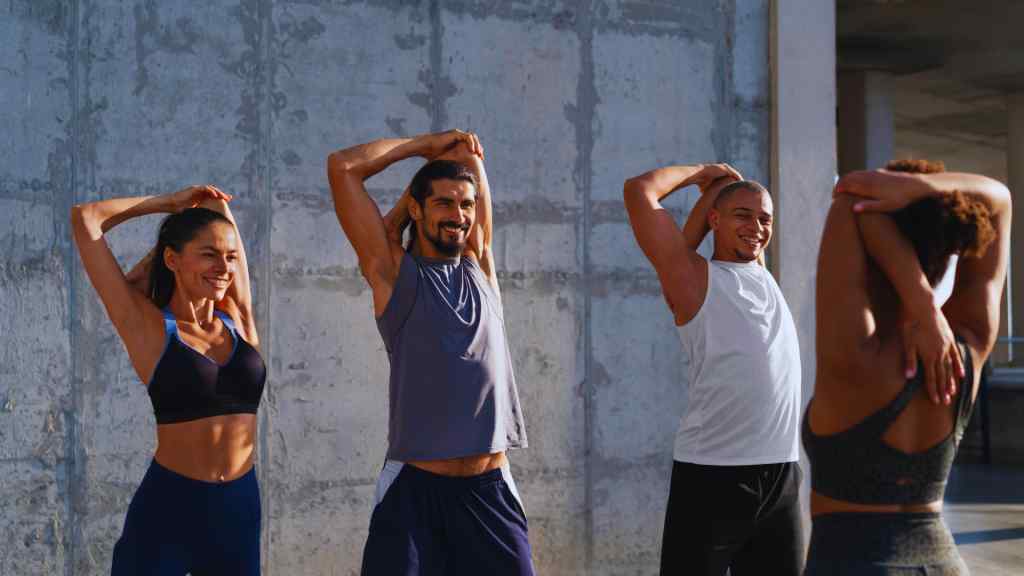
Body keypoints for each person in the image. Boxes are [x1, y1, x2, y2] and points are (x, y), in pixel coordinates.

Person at [326, 130, 532, 575]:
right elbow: (343, 168)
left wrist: (454, 156)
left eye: (466, 205)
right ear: (416, 208)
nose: (458, 215)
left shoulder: (481, 264)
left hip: (489, 492)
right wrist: (423, 145)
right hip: (415, 495)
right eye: (443, 203)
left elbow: (467, 155)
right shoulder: (394, 274)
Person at [803, 160, 1009, 575]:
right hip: (943, 562)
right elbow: (1001, 200)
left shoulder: (853, 356)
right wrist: (917, 189)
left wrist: (921, 305)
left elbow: (851, 195)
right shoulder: (967, 348)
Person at [71, 185, 265, 575]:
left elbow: (216, 204)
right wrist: (167, 205)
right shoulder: (146, 326)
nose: (225, 268)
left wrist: (199, 209)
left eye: (229, 257)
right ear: (172, 260)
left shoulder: (239, 318)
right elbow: (85, 218)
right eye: (208, 256)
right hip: (172, 507)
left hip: (239, 506)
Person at [624, 164, 804, 575]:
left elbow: (696, 236)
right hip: (713, 477)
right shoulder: (694, 280)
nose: (756, 227)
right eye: (742, 215)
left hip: (782, 476)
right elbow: (639, 190)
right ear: (715, 221)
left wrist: (723, 193)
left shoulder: (761, 273)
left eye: (764, 218)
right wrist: (704, 175)